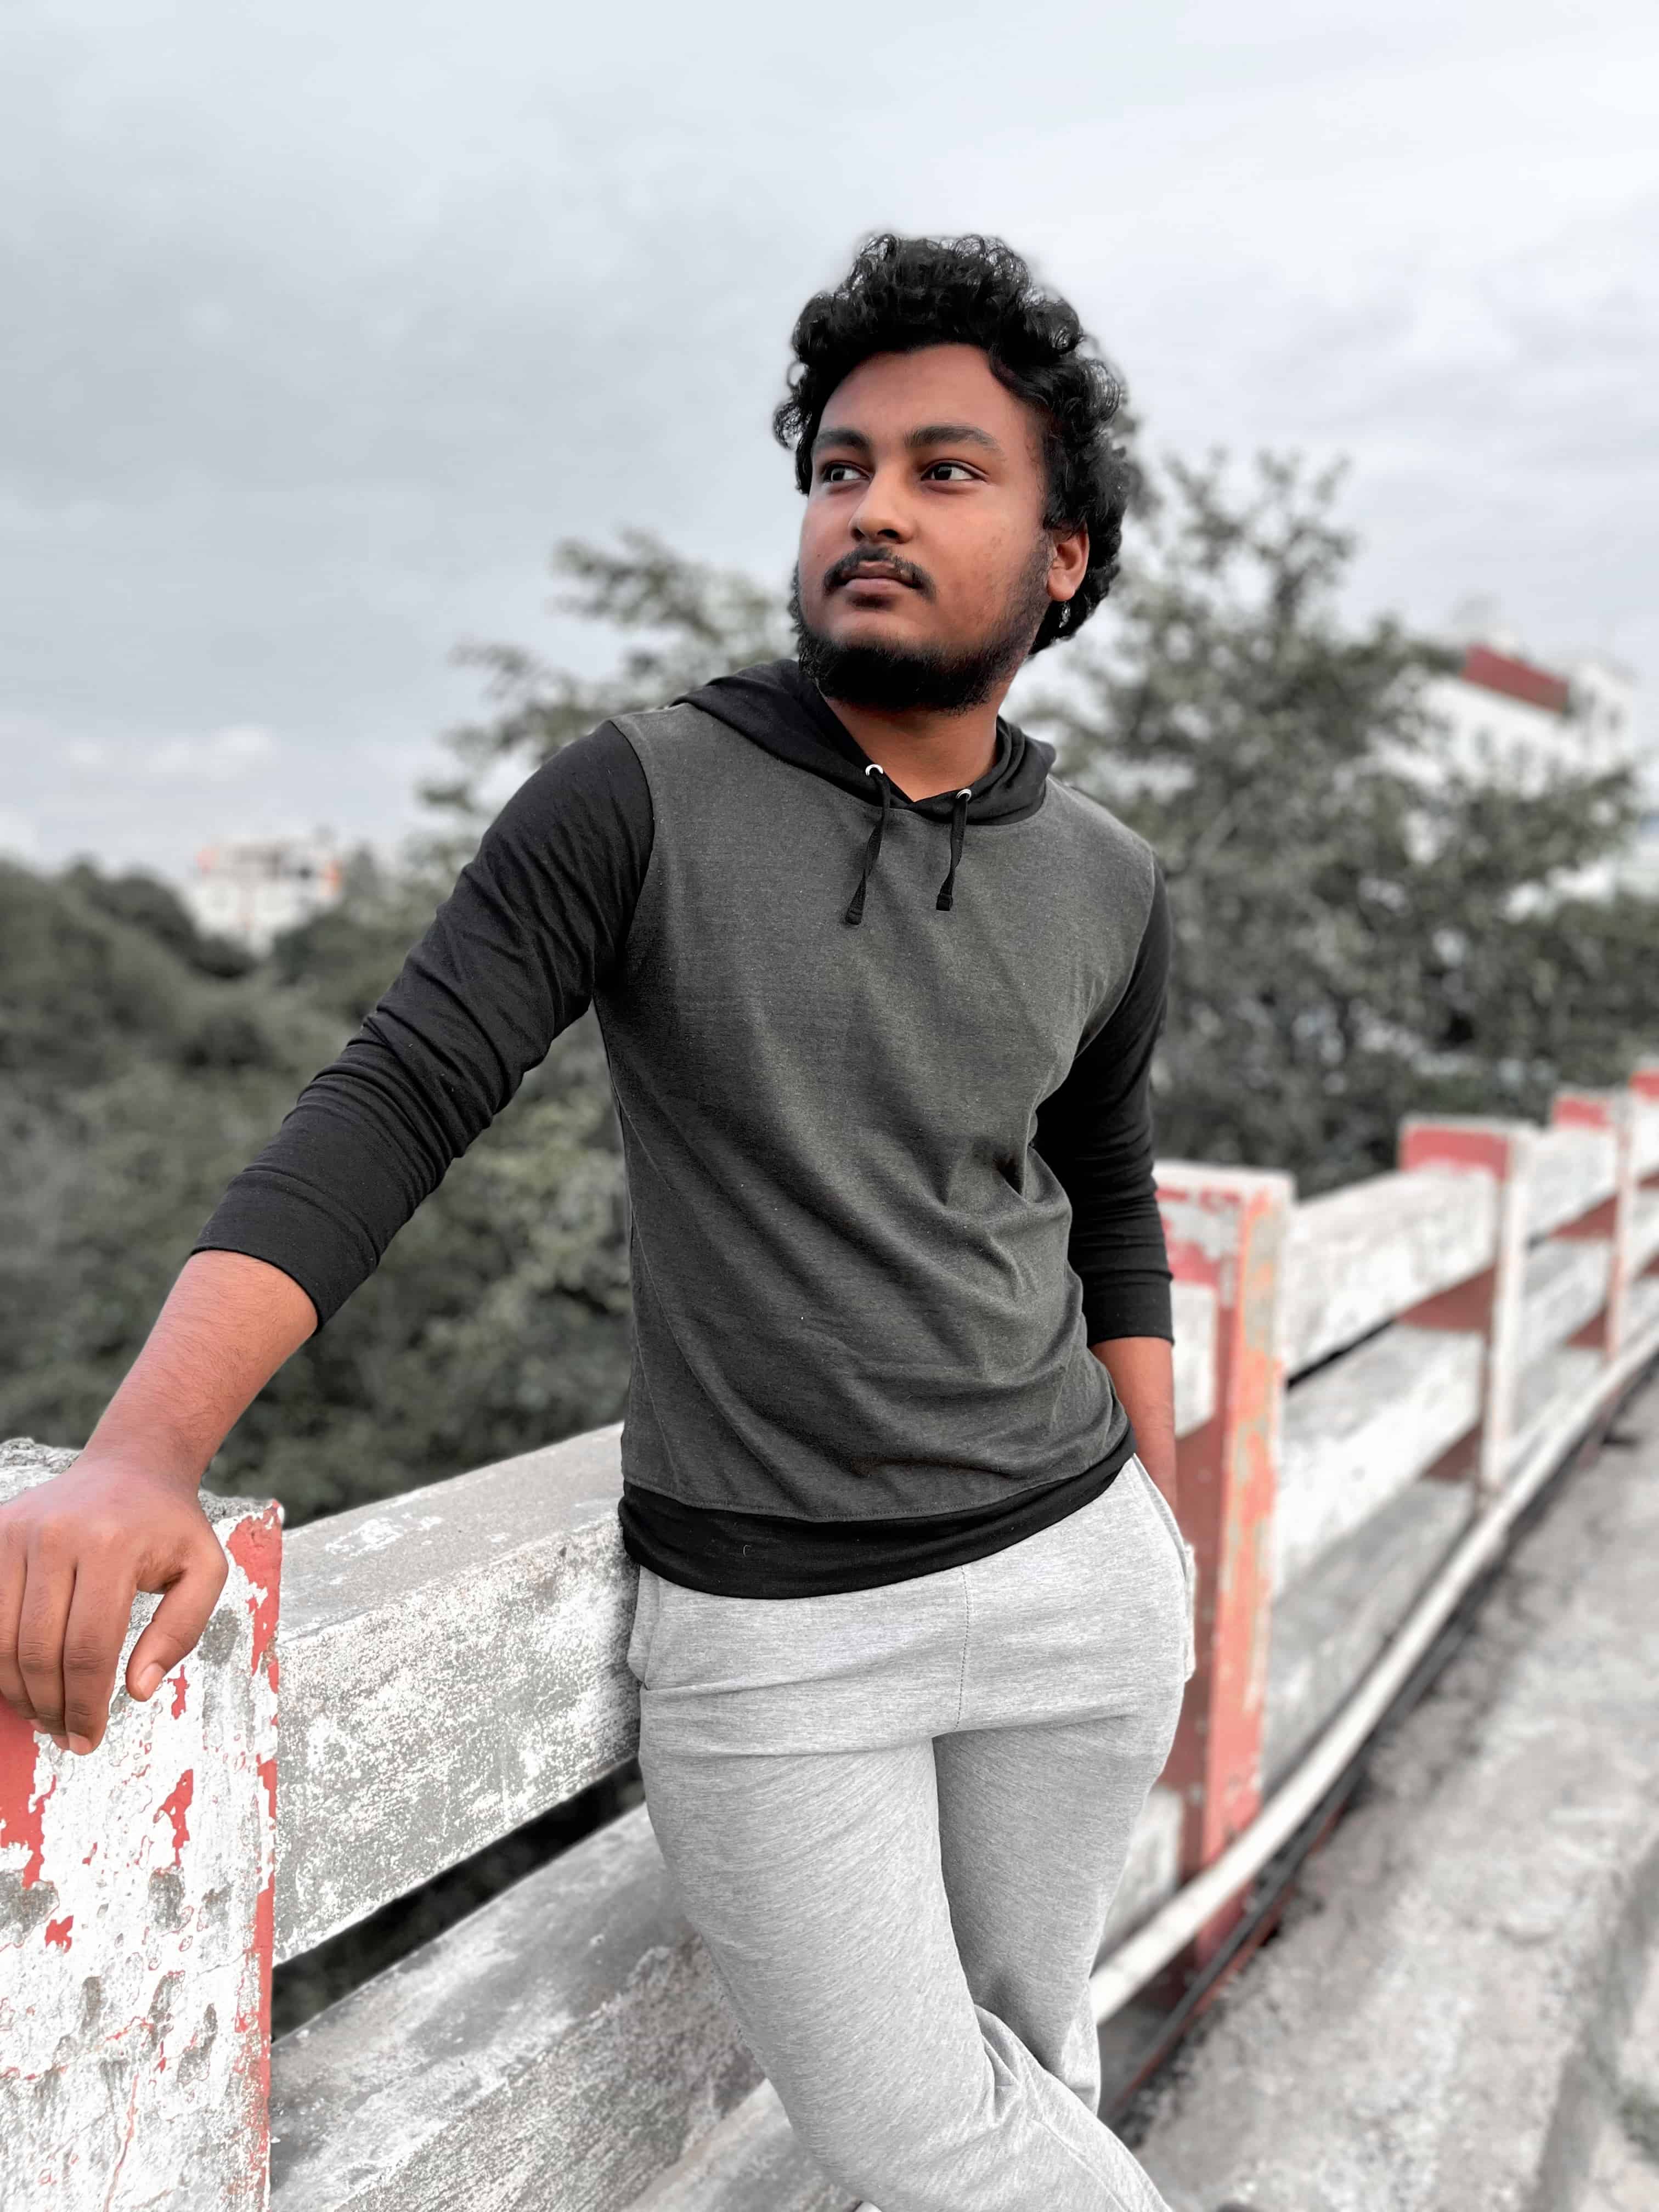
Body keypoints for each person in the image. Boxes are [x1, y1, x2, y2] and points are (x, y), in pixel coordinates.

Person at [0, 231, 1193, 2212]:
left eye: (945, 470)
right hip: (778, 1626)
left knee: (1028, 2073)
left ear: (1064, 554)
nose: (873, 508)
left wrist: (1161, 1522)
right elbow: (396, 1097)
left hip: (1080, 1584)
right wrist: (142, 1450)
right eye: (839, 468)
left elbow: (1109, 1193)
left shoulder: (1108, 879)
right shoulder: (641, 797)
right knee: (932, 2141)